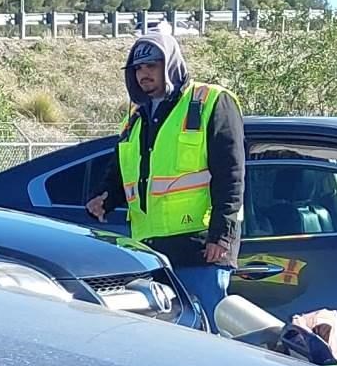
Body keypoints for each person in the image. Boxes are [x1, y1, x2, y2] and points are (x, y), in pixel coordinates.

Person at [85, 26, 243, 323]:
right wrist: (104, 199)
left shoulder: (209, 102)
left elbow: (231, 176)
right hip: (148, 253)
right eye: (138, 68)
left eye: (151, 66)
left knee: (206, 341)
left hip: (200, 250)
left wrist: (222, 236)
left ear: (170, 64)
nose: (143, 74)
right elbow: (121, 173)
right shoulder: (135, 117)